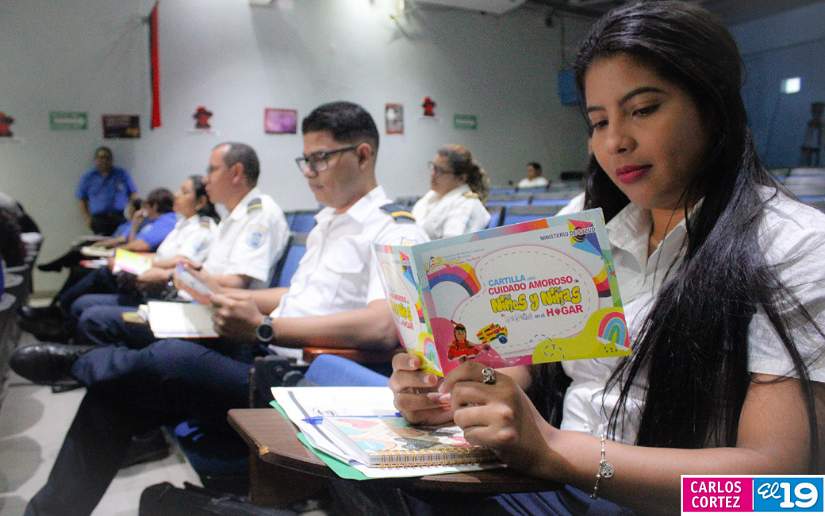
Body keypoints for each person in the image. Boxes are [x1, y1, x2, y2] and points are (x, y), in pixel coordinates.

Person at [379, 3, 825, 515]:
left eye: (644, 109)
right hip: (553, 486)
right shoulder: (584, 227)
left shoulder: (793, 245)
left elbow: (777, 488)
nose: (615, 142)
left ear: (713, 105)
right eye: (598, 121)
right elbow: (528, 365)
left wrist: (556, 451)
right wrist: (464, 397)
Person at [11, 101, 428, 516]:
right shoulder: (329, 224)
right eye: (306, 160)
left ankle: (82, 362)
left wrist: (264, 328)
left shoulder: (395, 230)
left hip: (301, 380)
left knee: (169, 355)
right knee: (116, 392)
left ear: (362, 155)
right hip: (264, 354)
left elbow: (380, 326)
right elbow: (296, 297)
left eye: (320, 159)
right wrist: (225, 297)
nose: (308, 172)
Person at [67, 175, 219, 320]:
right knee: (84, 301)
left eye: (184, 192)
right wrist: (127, 259)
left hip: (166, 293)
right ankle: (61, 309)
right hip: (151, 284)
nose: (176, 194)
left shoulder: (201, 229)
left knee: (88, 306)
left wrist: (138, 263)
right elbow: (159, 256)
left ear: (200, 202)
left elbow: (181, 262)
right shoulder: (182, 224)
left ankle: (61, 308)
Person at [411, 144, 491, 240]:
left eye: (440, 171)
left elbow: (452, 245)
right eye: (433, 167)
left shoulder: (467, 204)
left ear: (461, 178)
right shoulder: (430, 197)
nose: (433, 174)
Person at [76, 146, 139, 235]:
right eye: (101, 157)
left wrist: (133, 212)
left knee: (122, 241)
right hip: (99, 220)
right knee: (102, 243)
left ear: (112, 160)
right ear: (96, 160)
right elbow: (82, 199)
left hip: (120, 218)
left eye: (107, 158)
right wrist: (87, 219)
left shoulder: (121, 174)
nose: (104, 160)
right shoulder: (88, 177)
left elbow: (133, 194)